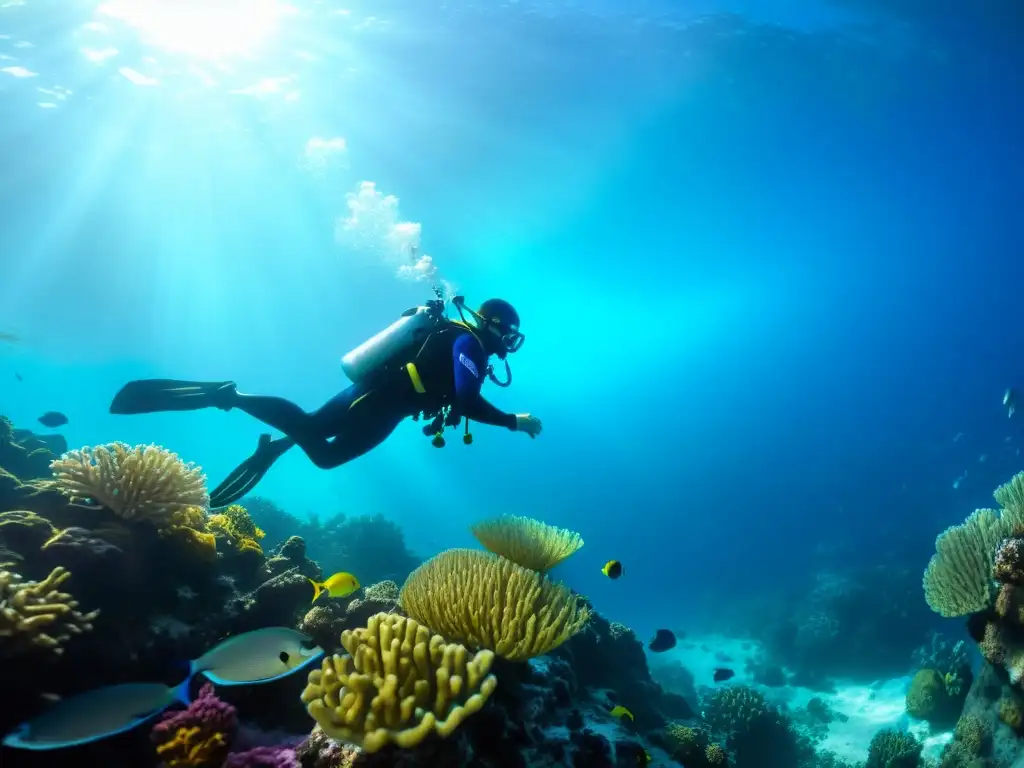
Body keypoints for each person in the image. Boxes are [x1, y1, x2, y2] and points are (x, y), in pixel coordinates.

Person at [109, 297, 542, 507]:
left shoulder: (459, 339)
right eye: (511, 334)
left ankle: (255, 420)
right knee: (325, 453)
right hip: (381, 403)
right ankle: (230, 395)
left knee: (312, 428)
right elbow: (466, 401)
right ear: (496, 326)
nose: (511, 343)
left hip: (375, 395)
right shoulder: (469, 343)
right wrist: (512, 422)